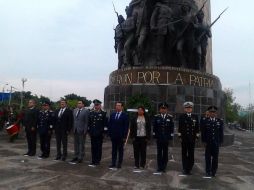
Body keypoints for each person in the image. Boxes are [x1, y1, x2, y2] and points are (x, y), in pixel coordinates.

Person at [201, 106, 224, 177]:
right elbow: (203, 132)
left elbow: (221, 132)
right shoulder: (205, 121)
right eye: (211, 112)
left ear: (216, 113)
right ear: (209, 113)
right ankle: (208, 171)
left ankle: (213, 171)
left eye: (214, 112)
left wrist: (220, 141)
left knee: (215, 158)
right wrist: (204, 141)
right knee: (207, 158)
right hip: (208, 143)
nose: (212, 113)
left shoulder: (219, 121)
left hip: (216, 143)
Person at [150, 0, 175, 66]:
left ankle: (168, 61)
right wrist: (152, 26)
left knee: (169, 46)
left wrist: (172, 27)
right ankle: (159, 60)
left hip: (169, 28)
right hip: (161, 27)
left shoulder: (170, 9)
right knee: (159, 45)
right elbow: (153, 17)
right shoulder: (158, 6)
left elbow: (171, 18)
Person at [178, 101, 199, 175]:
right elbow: (180, 128)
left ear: (192, 109)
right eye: (187, 108)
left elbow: (197, 128)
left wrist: (196, 137)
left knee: (191, 154)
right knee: (184, 154)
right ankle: (185, 168)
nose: (188, 109)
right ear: (184, 109)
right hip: (184, 139)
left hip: (192, 139)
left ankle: (189, 168)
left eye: (190, 108)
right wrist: (180, 136)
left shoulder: (195, 117)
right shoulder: (182, 117)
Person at [153, 102, 174, 173]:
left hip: (166, 138)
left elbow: (171, 128)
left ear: (167, 109)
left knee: (165, 153)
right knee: (159, 153)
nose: (163, 110)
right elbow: (154, 127)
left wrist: (170, 137)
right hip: (159, 138)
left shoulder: (170, 117)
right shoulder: (156, 117)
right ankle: (159, 166)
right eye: (162, 109)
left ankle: (164, 166)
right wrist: (155, 136)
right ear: (159, 109)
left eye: (164, 109)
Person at [108, 102, 129, 169]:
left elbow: (126, 127)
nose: (117, 107)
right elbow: (110, 125)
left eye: (119, 105)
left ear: (122, 107)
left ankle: (119, 163)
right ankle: (113, 163)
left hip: (121, 136)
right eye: (116, 105)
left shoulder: (125, 115)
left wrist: (124, 137)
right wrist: (110, 134)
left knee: (120, 150)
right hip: (113, 136)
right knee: (113, 150)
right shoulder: (112, 114)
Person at [88, 99, 107, 167]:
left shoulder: (103, 113)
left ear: (100, 105)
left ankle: (97, 160)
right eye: (95, 105)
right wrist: (89, 132)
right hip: (92, 133)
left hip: (99, 134)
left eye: (97, 105)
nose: (96, 106)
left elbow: (105, 125)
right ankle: (93, 160)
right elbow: (89, 123)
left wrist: (104, 133)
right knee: (93, 147)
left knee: (98, 147)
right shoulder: (91, 112)